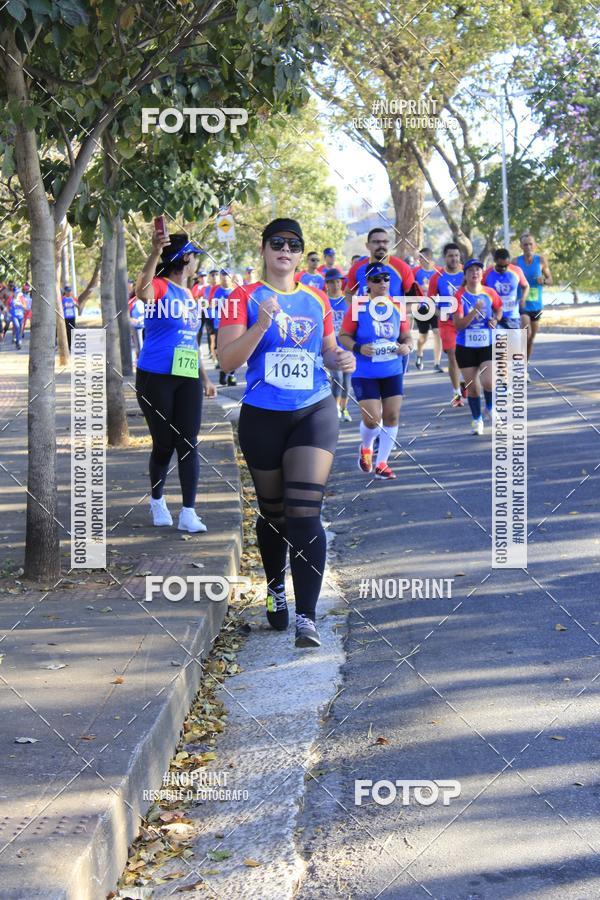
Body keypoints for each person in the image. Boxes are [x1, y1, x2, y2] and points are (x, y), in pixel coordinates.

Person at [217, 217, 355, 648]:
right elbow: (226, 361)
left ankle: (308, 618)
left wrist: (340, 359)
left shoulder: (316, 298)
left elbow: (327, 350)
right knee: (273, 512)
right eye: (277, 242)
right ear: (263, 249)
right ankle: (276, 589)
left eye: (293, 245)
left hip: (313, 410)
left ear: (299, 254)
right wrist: (259, 325)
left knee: (304, 509)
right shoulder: (239, 297)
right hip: (262, 416)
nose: (286, 250)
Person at [134, 229, 217, 532]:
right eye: (193, 255)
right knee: (164, 443)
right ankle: (157, 500)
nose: (195, 261)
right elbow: (141, 291)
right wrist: (155, 251)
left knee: (188, 441)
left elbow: (190, 342)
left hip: (187, 375)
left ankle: (189, 513)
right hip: (155, 377)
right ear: (184, 258)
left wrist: (205, 377)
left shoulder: (191, 297)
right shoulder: (160, 287)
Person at [339, 262, 413, 480]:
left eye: (386, 278)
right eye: (377, 279)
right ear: (368, 284)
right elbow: (343, 336)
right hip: (365, 372)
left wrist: (406, 346)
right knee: (373, 419)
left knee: (392, 415)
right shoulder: (358, 307)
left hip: (392, 369)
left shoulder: (397, 307)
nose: (383, 283)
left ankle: (382, 463)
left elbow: (406, 336)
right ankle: (366, 446)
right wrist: (358, 347)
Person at [452, 259, 502, 435]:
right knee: (473, 388)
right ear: (465, 275)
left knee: (489, 381)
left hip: (486, 344)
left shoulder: (490, 292)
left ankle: (489, 407)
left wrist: (496, 320)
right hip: (465, 346)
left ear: (482, 274)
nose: (475, 273)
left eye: (478, 270)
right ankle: (477, 420)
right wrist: (474, 311)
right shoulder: (458, 296)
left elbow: (499, 308)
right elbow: (458, 325)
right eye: (471, 270)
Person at [428, 243, 466, 406]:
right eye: (451, 256)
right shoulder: (437, 276)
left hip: (466, 322)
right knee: (452, 354)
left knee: (468, 356)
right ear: (445, 257)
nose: (454, 259)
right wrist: (441, 314)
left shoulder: (467, 272)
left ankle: (465, 381)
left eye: (457, 255)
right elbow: (429, 302)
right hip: (447, 323)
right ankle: (456, 393)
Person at [514, 232, 552, 374]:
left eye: (531, 244)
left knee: (531, 339)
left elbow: (550, 280)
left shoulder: (541, 260)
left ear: (534, 245)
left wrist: (544, 280)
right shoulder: (515, 262)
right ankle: (518, 364)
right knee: (526, 334)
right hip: (521, 303)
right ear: (521, 246)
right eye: (525, 244)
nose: (528, 246)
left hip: (536, 304)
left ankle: (523, 368)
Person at [345, 227, 418, 299]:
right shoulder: (357, 268)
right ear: (367, 246)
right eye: (376, 242)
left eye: (385, 242)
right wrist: (354, 309)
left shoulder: (402, 267)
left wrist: (398, 310)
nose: (381, 245)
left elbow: (413, 300)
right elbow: (348, 293)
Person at [324, 267, 352, 422]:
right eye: (332, 282)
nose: (335, 285)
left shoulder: (347, 301)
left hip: (347, 347)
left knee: (347, 383)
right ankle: (335, 410)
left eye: (338, 281)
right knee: (337, 378)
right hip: (331, 347)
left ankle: (344, 408)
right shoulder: (324, 301)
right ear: (327, 284)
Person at [413, 248, 443, 373]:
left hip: (436, 307)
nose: (419, 260)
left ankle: (437, 363)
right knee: (423, 337)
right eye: (418, 258)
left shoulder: (439, 272)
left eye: (422, 258)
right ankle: (419, 354)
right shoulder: (415, 272)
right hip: (421, 308)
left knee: (437, 332)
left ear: (430, 258)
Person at [483, 250, 529, 330]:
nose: (503, 268)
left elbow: (526, 286)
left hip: (512, 317)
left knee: (515, 342)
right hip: (494, 317)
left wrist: (523, 299)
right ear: (495, 261)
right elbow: (480, 291)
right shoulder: (487, 273)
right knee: (500, 342)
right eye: (500, 266)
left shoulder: (516, 271)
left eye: (506, 265)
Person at [212, 269, 237, 386]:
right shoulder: (217, 291)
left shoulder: (235, 291)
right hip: (219, 324)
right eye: (223, 275)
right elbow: (213, 306)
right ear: (221, 277)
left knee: (233, 350)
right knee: (220, 349)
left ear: (230, 277)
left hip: (232, 325)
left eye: (227, 275)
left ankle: (231, 375)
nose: (225, 277)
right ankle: (223, 370)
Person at [61, 285, 77, 350]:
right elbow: (60, 307)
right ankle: (67, 346)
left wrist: (75, 303)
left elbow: (78, 306)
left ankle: (72, 345)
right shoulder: (62, 299)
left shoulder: (72, 298)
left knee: (72, 331)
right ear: (65, 291)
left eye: (70, 291)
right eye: (68, 291)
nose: (69, 292)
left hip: (72, 317)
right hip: (66, 318)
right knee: (67, 332)